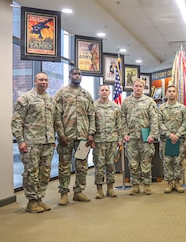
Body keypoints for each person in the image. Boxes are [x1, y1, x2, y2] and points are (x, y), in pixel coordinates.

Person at [12, 72, 61, 213]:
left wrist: (53, 138)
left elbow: (54, 121)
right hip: (31, 143)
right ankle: (32, 201)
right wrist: (20, 141)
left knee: (45, 173)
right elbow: (16, 121)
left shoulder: (51, 100)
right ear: (35, 81)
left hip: (47, 143)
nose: (43, 82)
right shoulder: (26, 98)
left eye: (45, 80)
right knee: (31, 173)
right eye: (40, 80)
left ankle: (40, 198)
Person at [54, 68, 95, 205]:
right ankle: (64, 193)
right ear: (70, 76)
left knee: (81, 166)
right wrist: (60, 133)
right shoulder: (62, 93)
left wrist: (90, 133)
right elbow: (57, 115)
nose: (77, 76)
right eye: (75, 74)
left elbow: (91, 115)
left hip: (83, 136)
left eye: (79, 74)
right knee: (64, 166)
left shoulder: (86, 94)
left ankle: (78, 192)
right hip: (66, 136)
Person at [121, 78, 158, 195]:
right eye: (136, 86)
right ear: (132, 87)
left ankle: (147, 185)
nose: (138, 88)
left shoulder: (149, 101)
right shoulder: (126, 102)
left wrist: (153, 134)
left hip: (146, 137)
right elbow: (122, 119)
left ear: (143, 88)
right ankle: (135, 185)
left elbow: (154, 119)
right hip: (131, 137)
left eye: (140, 86)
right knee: (133, 163)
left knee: (146, 161)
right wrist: (124, 133)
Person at [92, 85, 122, 199]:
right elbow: (91, 123)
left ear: (109, 92)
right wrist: (91, 139)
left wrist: (119, 139)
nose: (104, 92)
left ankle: (110, 188)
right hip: (98, 140)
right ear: (98, 92)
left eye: (106, 90)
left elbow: (118, 124)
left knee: (110, 165)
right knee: (98, 166)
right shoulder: (93, 106)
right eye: (102, 90)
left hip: (112, 140)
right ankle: (99, 189)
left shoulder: (115, 107)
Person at [159, 85, 186, 193]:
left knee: (178, 161)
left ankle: (177, 182)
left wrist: (177, 134)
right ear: (166, 93)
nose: (171, 93)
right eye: (169, 91)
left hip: (178, 140)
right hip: (166, 140)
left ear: (177, 93)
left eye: (173, 91)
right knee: (167, 162)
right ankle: (169, 183)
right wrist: (169, 134)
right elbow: (159, 123)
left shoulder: (182, 108)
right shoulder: (161, 108)